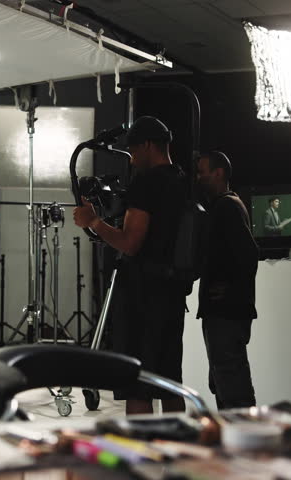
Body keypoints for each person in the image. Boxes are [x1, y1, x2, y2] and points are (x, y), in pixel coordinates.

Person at [73, 116, 188, 415]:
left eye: (134, 151)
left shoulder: (147, 184)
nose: (133, 159)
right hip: (172, 294)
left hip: (143, 297)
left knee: (137, 382)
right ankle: (177, 451)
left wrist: (94, 222)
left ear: (148, 145)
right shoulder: (182, 180)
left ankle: (141, 459)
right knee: (169, 381)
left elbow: (130, 243)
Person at [195, 150, 258, 409]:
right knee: (224, 381)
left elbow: (249, 254)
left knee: (232, 385)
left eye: (202, 172)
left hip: (226, 314)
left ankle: (246, 440)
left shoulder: (227, 206)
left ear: (218, 173)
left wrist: (228, 288)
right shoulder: (228, 205)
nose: (198, 178)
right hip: (226, 312)